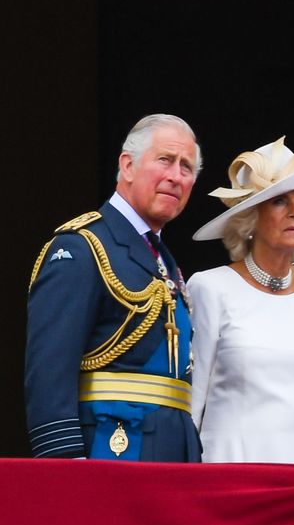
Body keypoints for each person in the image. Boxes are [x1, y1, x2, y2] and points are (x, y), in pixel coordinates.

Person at [25, 114, 203, 461]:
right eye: (165, 160)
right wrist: (64, 461)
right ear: (128, 165)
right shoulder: (83, 247)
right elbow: (49, 365)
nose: (175, 176)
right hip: (112, 448)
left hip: (172, 452)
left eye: (187, 167)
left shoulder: (162, 258)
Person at [187, 137, 294, 464]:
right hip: (234, 480)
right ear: (249, 219)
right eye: (279, 202)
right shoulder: (210, 288)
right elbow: (191, 404)